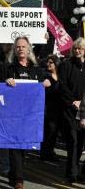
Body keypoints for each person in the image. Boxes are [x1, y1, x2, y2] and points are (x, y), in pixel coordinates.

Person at [0, 36, 49, 189]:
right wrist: (5, 82)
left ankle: (14, 175)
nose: (20, 49)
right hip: (12, 113)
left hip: (30, 115)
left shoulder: (36, 68)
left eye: (23, 46)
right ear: (14, 49)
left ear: (28, 49)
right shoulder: (8, 67)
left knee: (24, 146)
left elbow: (50, 83)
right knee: (15, 146)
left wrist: (46, 83)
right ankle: (19, 180)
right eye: (18, 47)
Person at [58, 38, 85, 183]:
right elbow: (62, 85)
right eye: (75, 48)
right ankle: (71, 174)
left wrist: (82, 102)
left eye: (80, 48)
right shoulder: (66, 65)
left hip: (84, 110)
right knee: (73, 142)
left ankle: (79, 171)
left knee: (80, 143)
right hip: (70, 110)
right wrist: (72, 101)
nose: (77, 51)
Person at [40, 54, 62, 161]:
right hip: (47, 107)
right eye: (47, 62)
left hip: (58, 107)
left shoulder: (61, 75)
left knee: (55, 132)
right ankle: (44, 153)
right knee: (48, 130)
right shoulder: (45, 75)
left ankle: (50, 151)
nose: (48, 64)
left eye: (51, 62)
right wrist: (43, 85)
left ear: (56, 63)